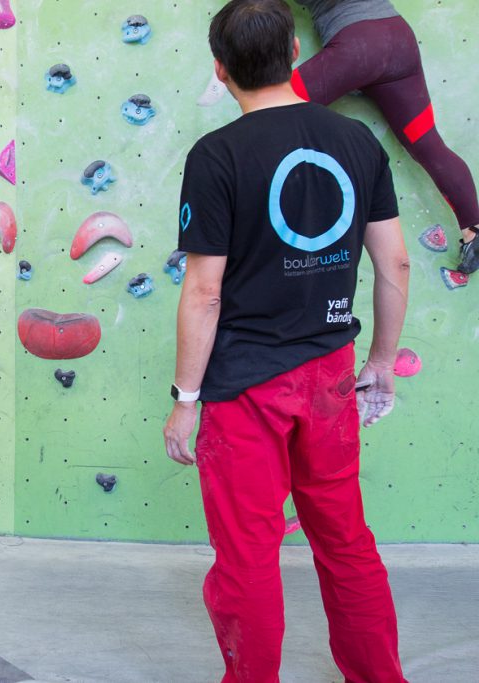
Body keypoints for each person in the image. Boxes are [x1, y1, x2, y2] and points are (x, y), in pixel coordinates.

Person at [163, 1, 410, 680]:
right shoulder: (359, 144)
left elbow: (205, 292)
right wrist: (380, 362)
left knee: (246, 556)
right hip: (330, 375)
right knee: (346, 543)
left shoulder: (215, 156)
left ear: (220, 69)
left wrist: (186, 397)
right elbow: (394, 262)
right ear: (297, 53)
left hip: (244, 386)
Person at [291, 0, 479, 273]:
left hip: (358, 47)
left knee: (275, 105)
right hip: (398, 41)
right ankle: (473, 228)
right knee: (427, 143)